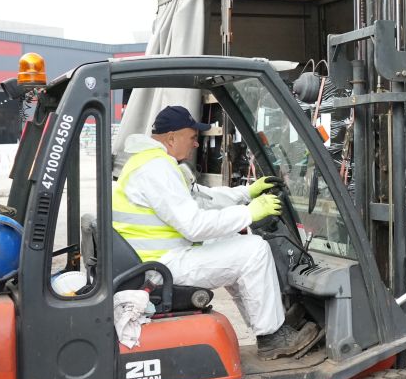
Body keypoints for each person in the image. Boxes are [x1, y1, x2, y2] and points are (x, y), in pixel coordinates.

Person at [112, 105, 321, 357]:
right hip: (161, 267)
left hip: (159, 259)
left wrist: (248, 192)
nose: (196, 144)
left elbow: (201, 197)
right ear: (171, 138)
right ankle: (272, 336)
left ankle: (268, 325)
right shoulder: (156, 169)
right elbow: (195, 226)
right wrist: (250, 213)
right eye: (192, 137)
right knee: (254, 251)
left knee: (231, 242)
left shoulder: (151, 162)